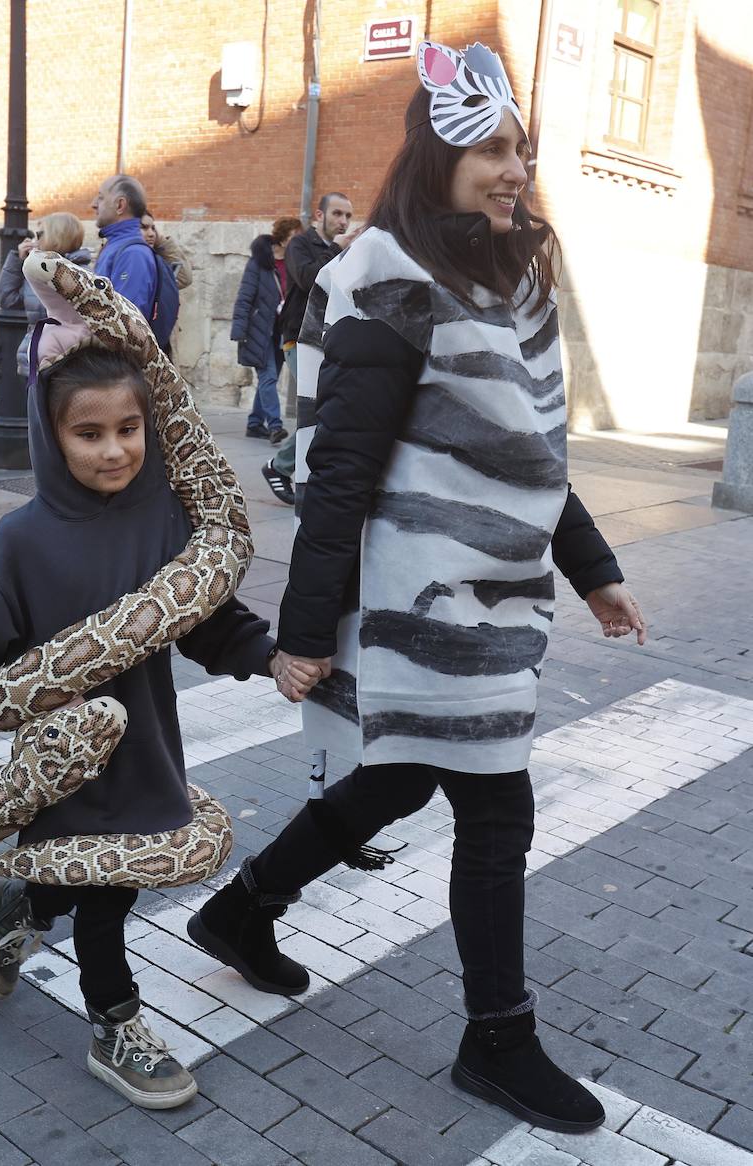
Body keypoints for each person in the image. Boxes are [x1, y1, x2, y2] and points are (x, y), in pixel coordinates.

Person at [186, 41, 648, 1135]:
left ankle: (241, 911)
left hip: (494, 595)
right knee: (497, 806)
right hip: (421, 600)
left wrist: (596, 572)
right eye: (490, 146)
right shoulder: (389, 279)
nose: (513, 166)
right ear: (437, 153)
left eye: (520, 148)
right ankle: (500, 1039)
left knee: (394, 782)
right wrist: (303, 633)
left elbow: (530, 451)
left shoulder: (509, 278)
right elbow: (339, 468)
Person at [0, 345, 282, 1110]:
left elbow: (205, 620)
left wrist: (269, 656)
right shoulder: (21, 539)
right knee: (108, 892)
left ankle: (17, 902)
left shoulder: (165, 519)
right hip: (67, 753)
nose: (115, 448)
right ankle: (115, 1026)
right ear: (51, 438)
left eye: (130, 428)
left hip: (146, 738)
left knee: (104, 879)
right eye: (89, 434)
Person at [263, 193, 359, 504]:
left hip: (333, 339)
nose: (343, 221)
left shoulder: (348, 249)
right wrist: (338, 248)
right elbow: (308, 279)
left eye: (348, 215)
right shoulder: (300, 245)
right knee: (318, 410)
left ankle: (287, 467)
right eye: (337, 214)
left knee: (329, 409)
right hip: (300, 338)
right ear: (320, 215)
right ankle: (281, 466)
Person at [0, 212, 92, 378]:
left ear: (58, 236)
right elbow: (8, 300)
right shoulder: (39, 271)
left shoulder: (80, 274)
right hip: (36, 358)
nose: (35, 241)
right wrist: (17, 261)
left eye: (40, 234)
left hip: (68, 362)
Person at [231, 218, 301, 443]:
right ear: (282, 237)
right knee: (268, 376)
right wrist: (239, 330)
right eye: (293, 237)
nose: (297, 241)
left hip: (281, 331)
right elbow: (244, 297)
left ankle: (254, 424)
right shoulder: (259, 262)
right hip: (258, 330)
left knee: (269, 378)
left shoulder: (293, 262)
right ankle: (275, 425)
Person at [90, 174, 179, 350]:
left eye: (100, 197)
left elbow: (125, 329)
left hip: (116, 369)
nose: (93, 204)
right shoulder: (115, 247)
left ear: (120, 205)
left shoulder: (133, 255)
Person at [139, 212, 192, 290]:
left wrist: (161, 242)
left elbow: (184, 279)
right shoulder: (123, 257)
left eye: (153, 228)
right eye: (144, 227)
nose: (151, 234)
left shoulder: (155, 259)